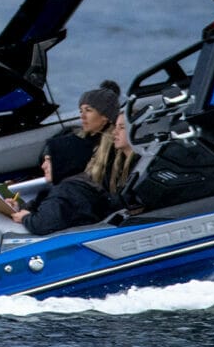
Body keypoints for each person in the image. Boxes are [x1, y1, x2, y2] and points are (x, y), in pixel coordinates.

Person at [10, 82, 136, 235]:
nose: (82, 116)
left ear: (105, 117)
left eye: (88, 110)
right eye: (81, 110)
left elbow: (53, 213)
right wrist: (24, 209)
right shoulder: (73, 138)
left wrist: (27, 217)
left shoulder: (112, 151)